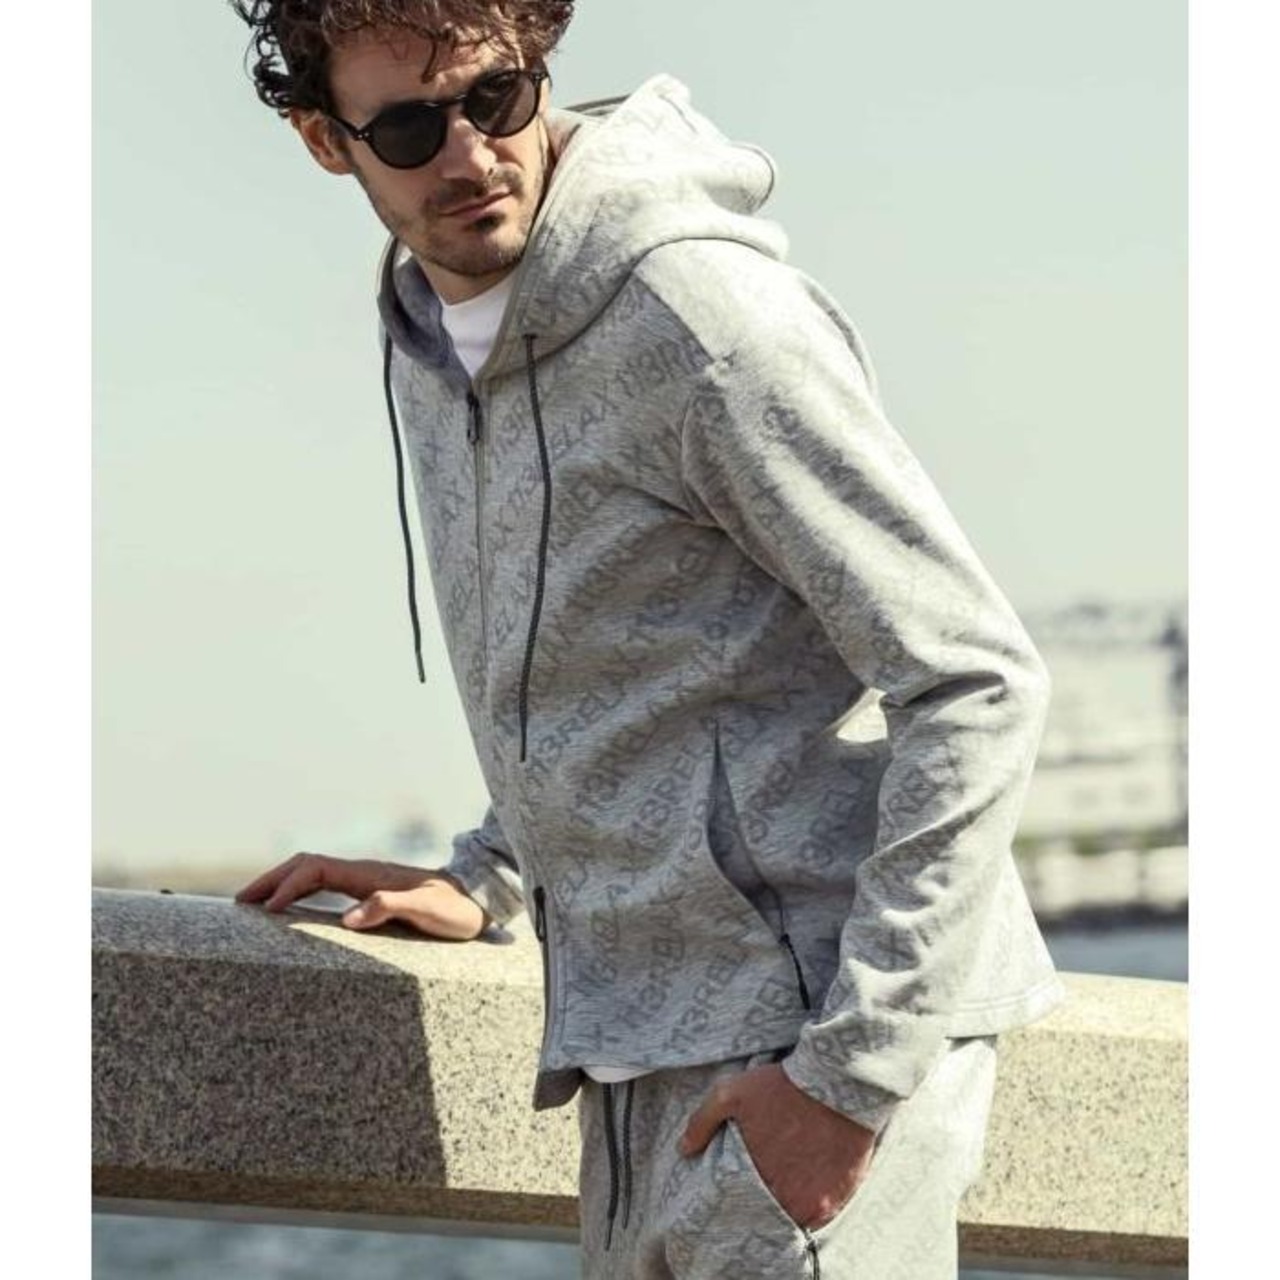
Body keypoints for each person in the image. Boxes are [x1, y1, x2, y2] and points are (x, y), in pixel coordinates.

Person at [230, 2, 1065, 1275]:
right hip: (634, 1047)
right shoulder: (432, 342)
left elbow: (974, 678)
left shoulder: (701, 320)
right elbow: (617, 659)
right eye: (407, 129)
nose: (469, 155)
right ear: (322, 140)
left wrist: (847, 1077)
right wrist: (489, 871)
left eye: (496, 98)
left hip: (811, 1033)